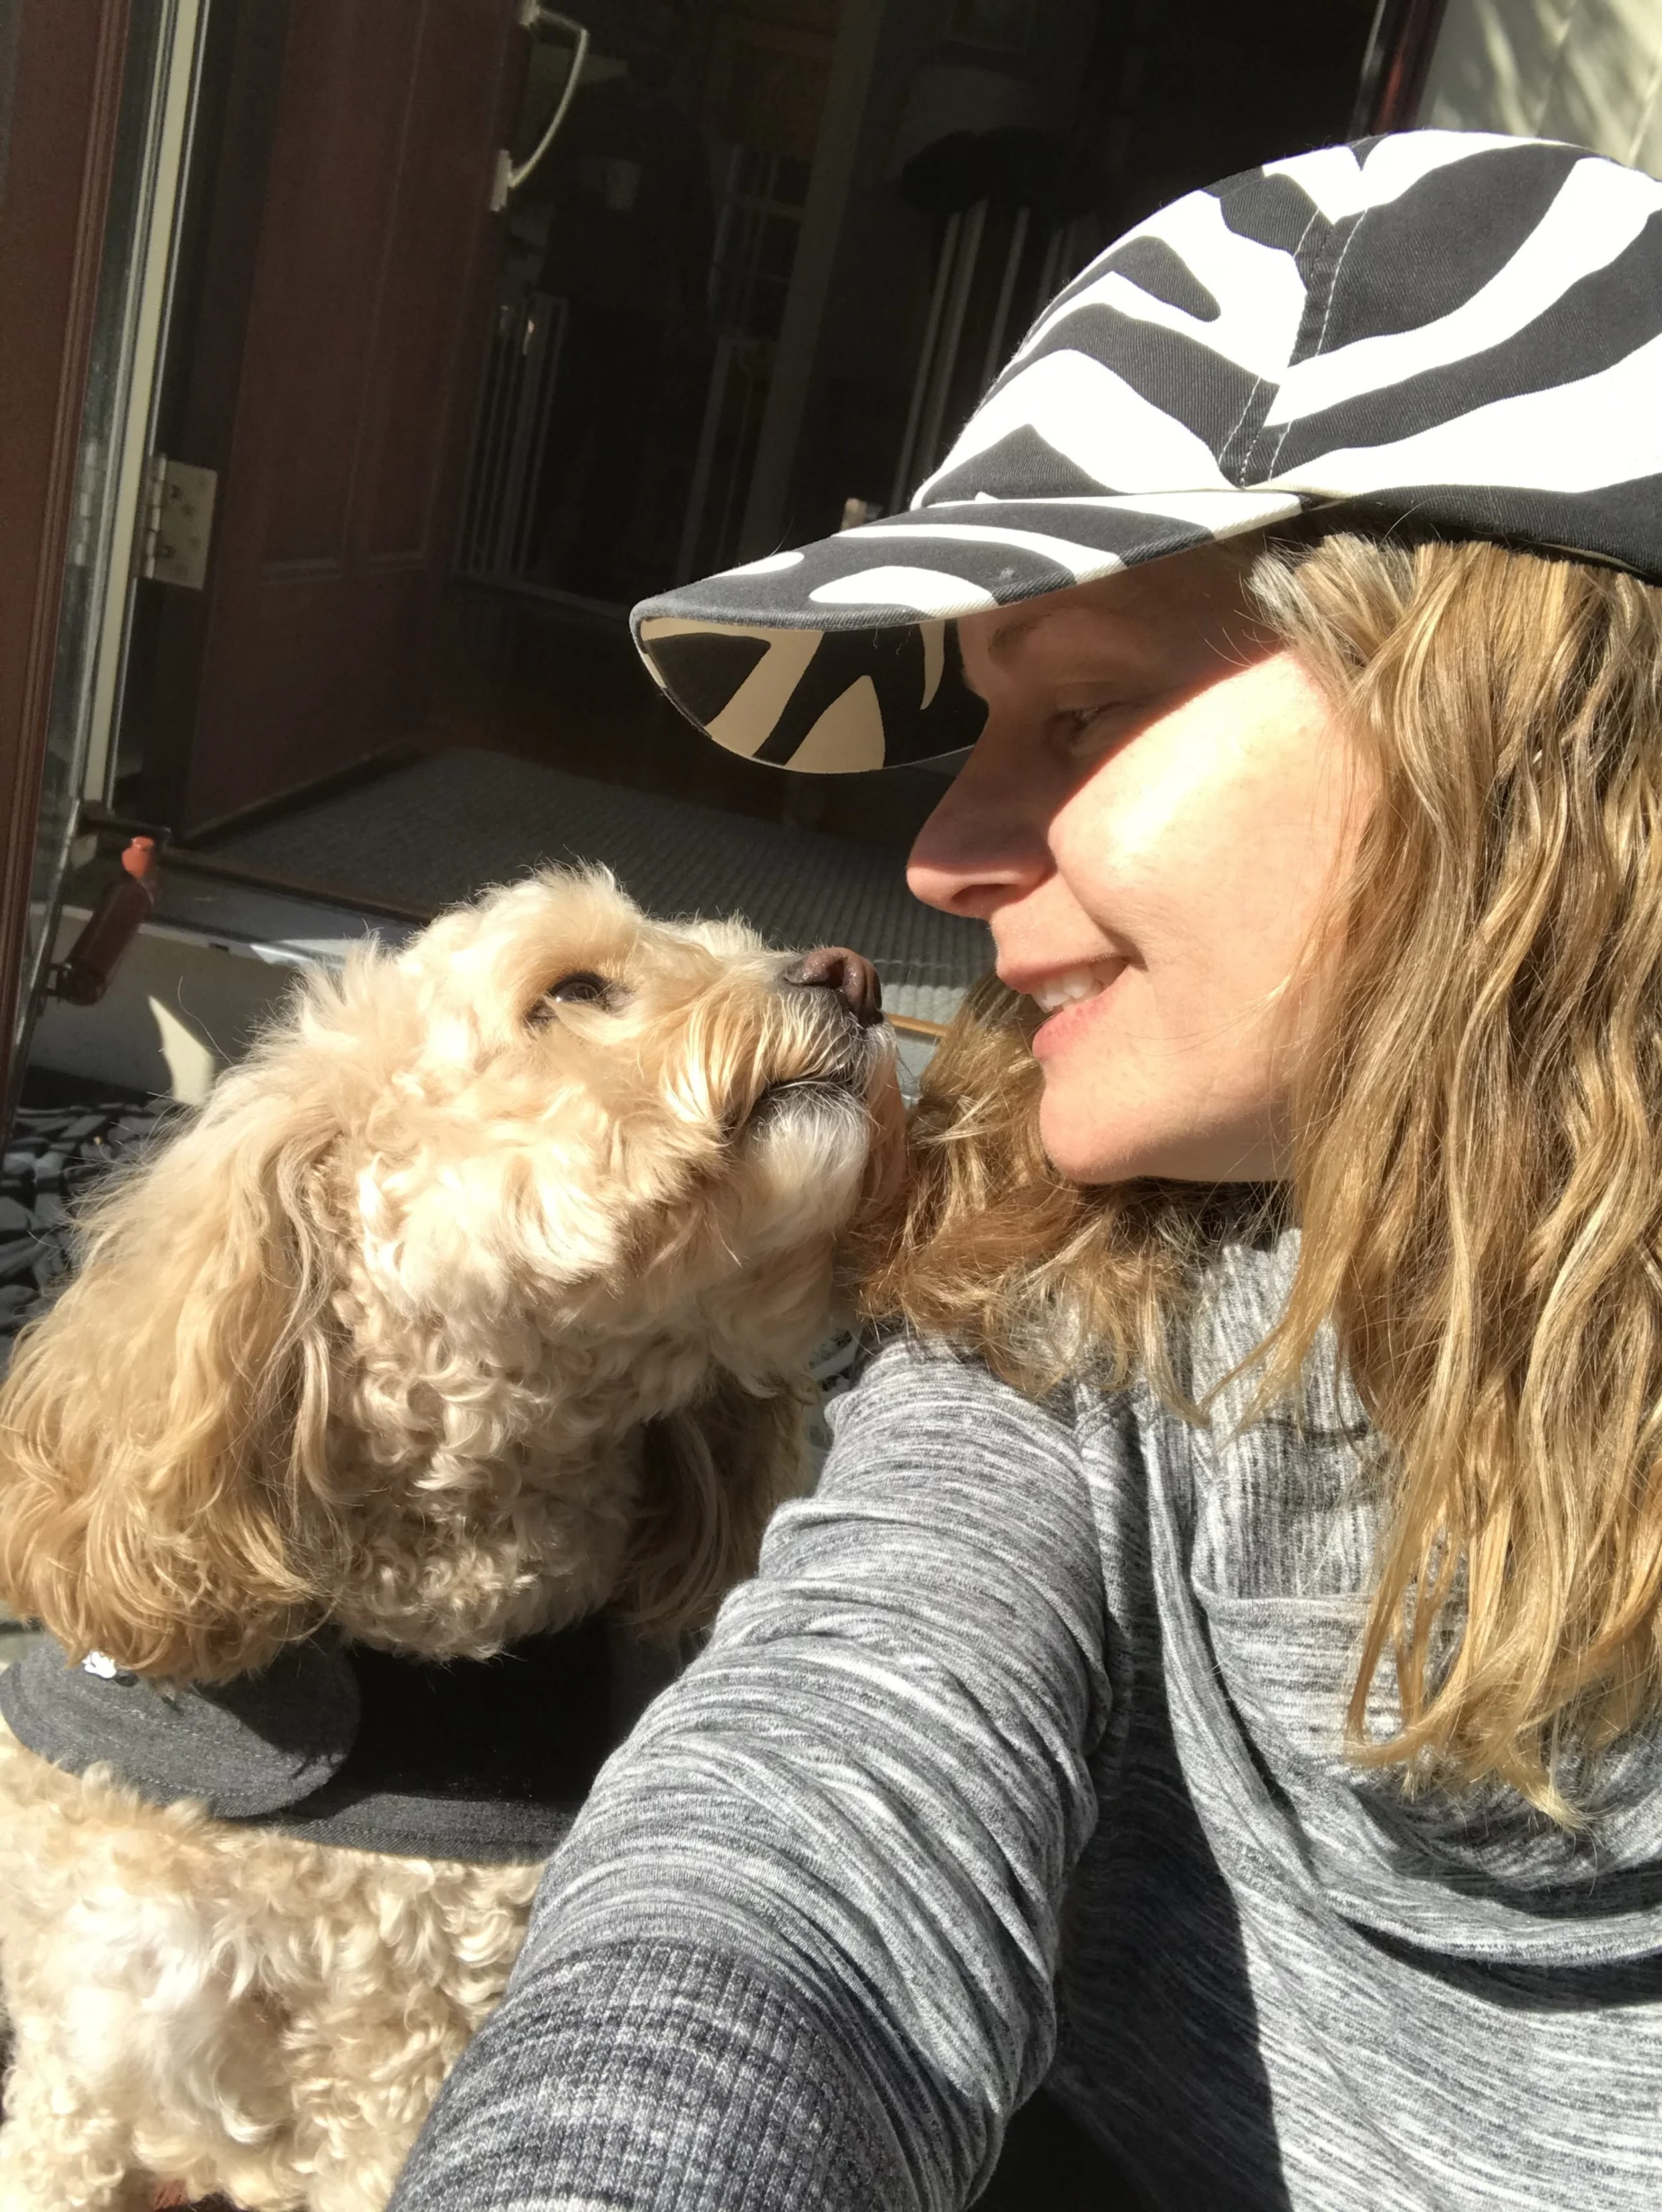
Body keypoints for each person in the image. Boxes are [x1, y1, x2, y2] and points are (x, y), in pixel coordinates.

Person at [390, 131, 1662, 2209]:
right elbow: (799, 1867)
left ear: (1516, 744)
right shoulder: (1059, 1284)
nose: (939, 861)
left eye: (1078, 714)